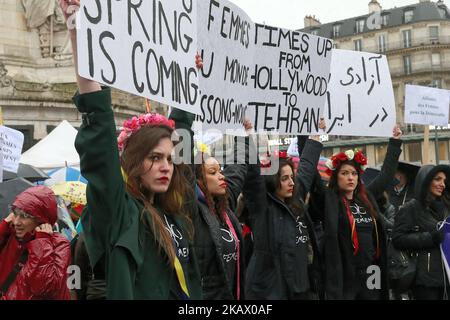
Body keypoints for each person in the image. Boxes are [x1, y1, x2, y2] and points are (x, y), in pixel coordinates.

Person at [60, 0, 202, 299]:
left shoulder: (175, 212)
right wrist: (77, 31)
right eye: (154, 158)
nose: (166, 166)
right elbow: (98, 136)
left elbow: (183, 139)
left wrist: (190, 81)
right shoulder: (119, 211)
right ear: (133, 161)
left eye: (168, 158)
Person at [319, 125, 403, 300]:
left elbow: (386, 176)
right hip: (346, 275)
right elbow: (311, 179)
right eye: (345, 173)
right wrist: (314, 137)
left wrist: (395, 142)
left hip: (372, 271)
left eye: (354, 173)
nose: (351, 178)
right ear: (336, 177)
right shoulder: (330, 200)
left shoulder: (366, 197)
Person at [243, 127, 325, 300]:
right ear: (272, 181)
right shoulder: (262, 207)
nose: (291, 183)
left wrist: (316, 134)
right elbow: (252, 178)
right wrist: (247, 135)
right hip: (274, 292)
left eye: (291, 177)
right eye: (284, 178)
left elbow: (307, 168)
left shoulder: (296, 200)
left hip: (305, 290)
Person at [0, 186, 71, 300]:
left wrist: (42, 243)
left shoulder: (59, 244)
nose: (17, 222)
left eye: (25, 216)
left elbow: (44, 288)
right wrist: (3, 228)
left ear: (41, 219)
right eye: (15, 213)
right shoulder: (10, 234)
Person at [392, 165, 450, 300]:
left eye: (444, 181)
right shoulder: (410, 208)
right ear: (425, 180)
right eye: (437, 179)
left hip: (445, 276)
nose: (442, 184)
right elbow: (398, 239)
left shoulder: (444, 208)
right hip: (425, 280)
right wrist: (430, 237)